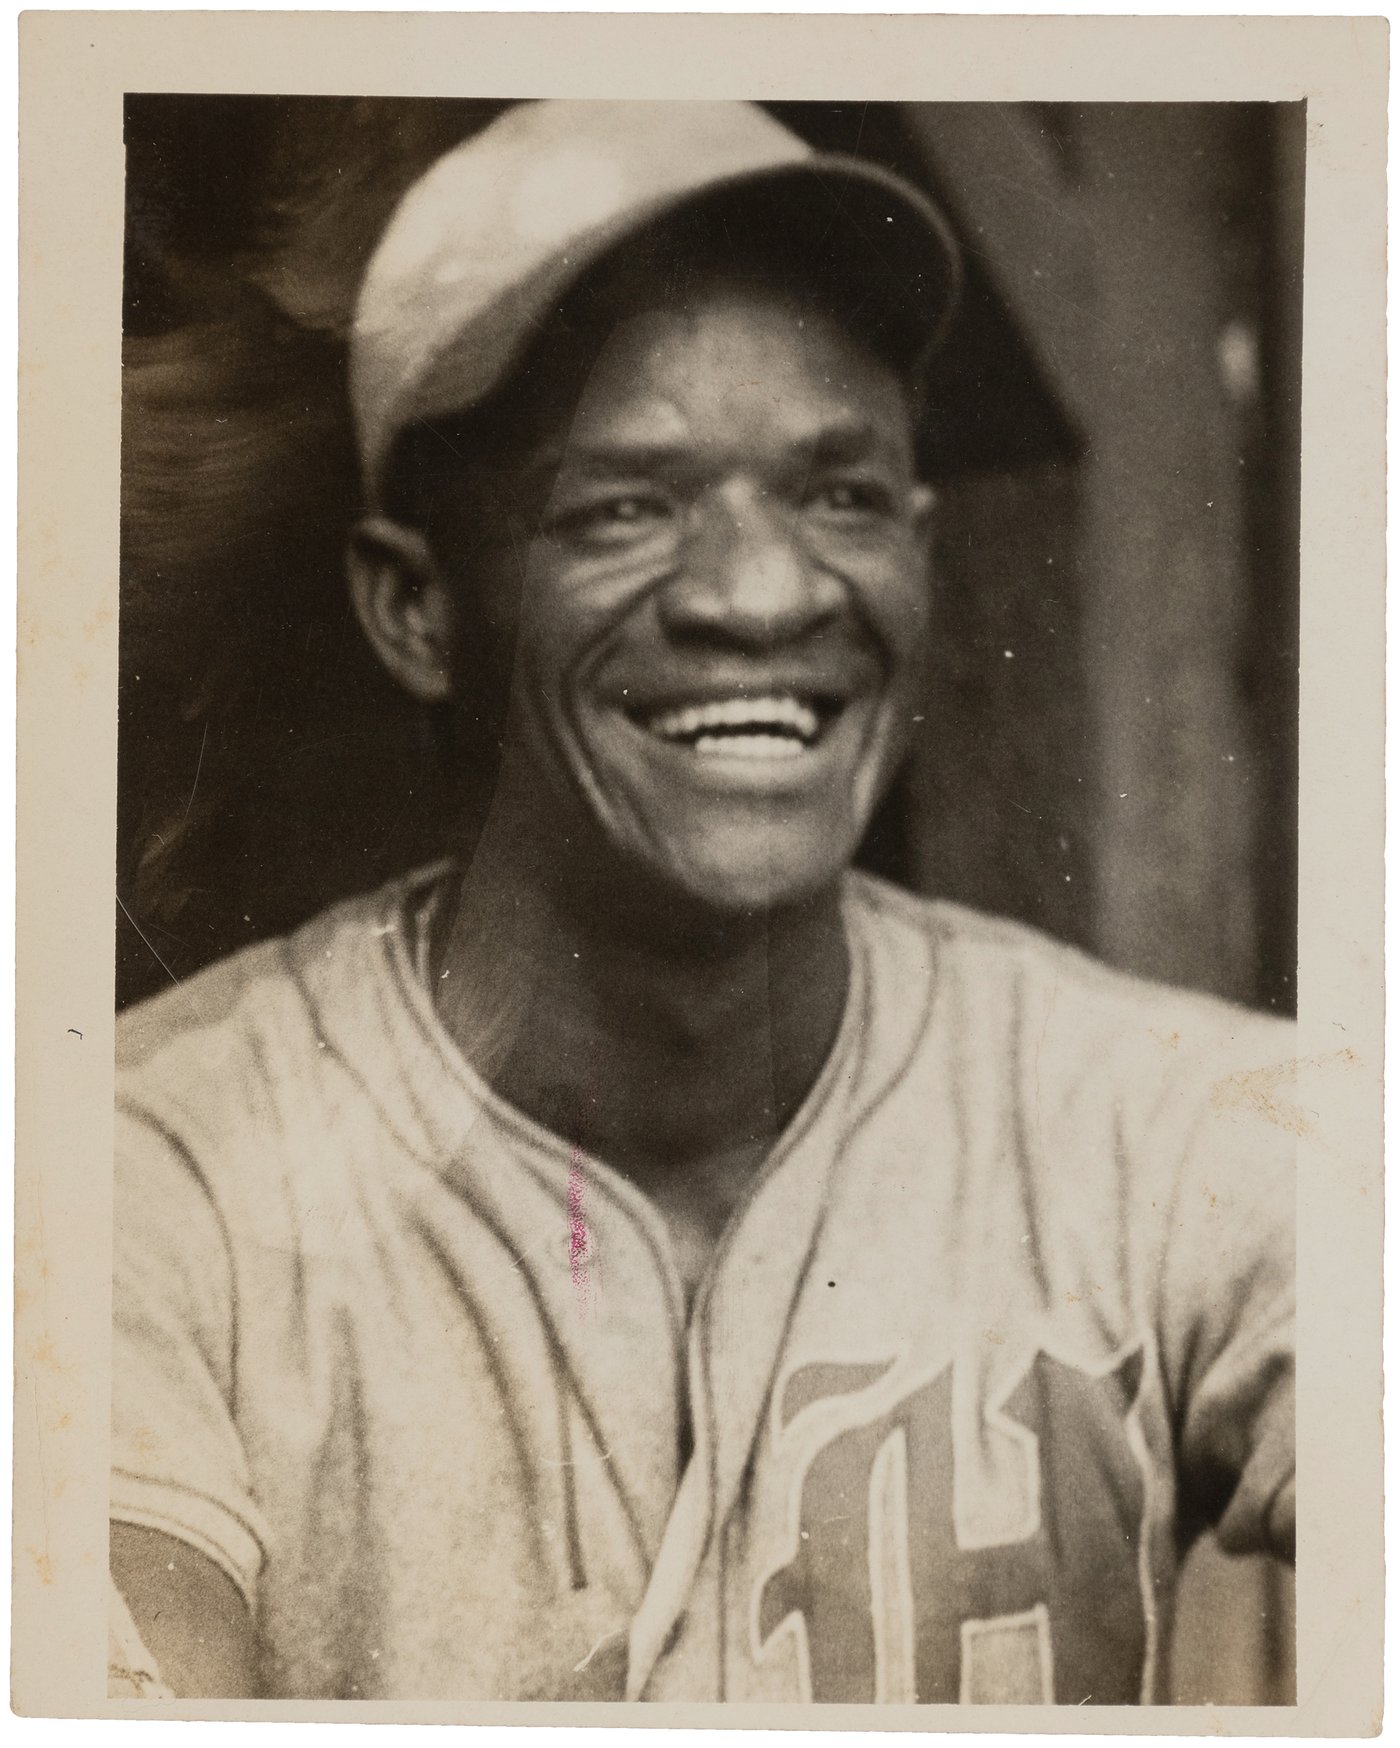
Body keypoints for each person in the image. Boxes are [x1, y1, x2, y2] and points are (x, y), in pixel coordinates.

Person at [109, 99, 1295, 1705]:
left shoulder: (1171, 1125)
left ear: (923, 551)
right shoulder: (150, 1166)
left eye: (842, 495)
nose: (766, 593)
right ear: (416, 607)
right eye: (623, 505)